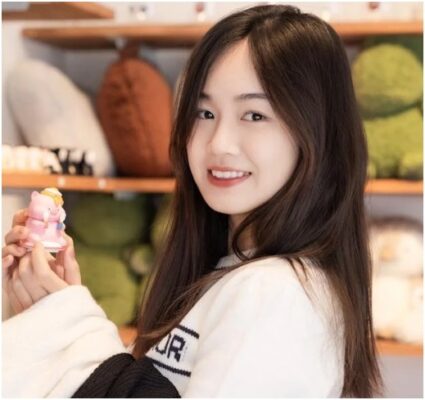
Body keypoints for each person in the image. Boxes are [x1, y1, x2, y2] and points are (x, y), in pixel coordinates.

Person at [2, 4, 384, 398]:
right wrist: (54, 312)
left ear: (318, 132)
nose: (219, 143)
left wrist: (67, 325)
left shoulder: (277, 292)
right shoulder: (233, 272)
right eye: (204, 112)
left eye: (254, 115)